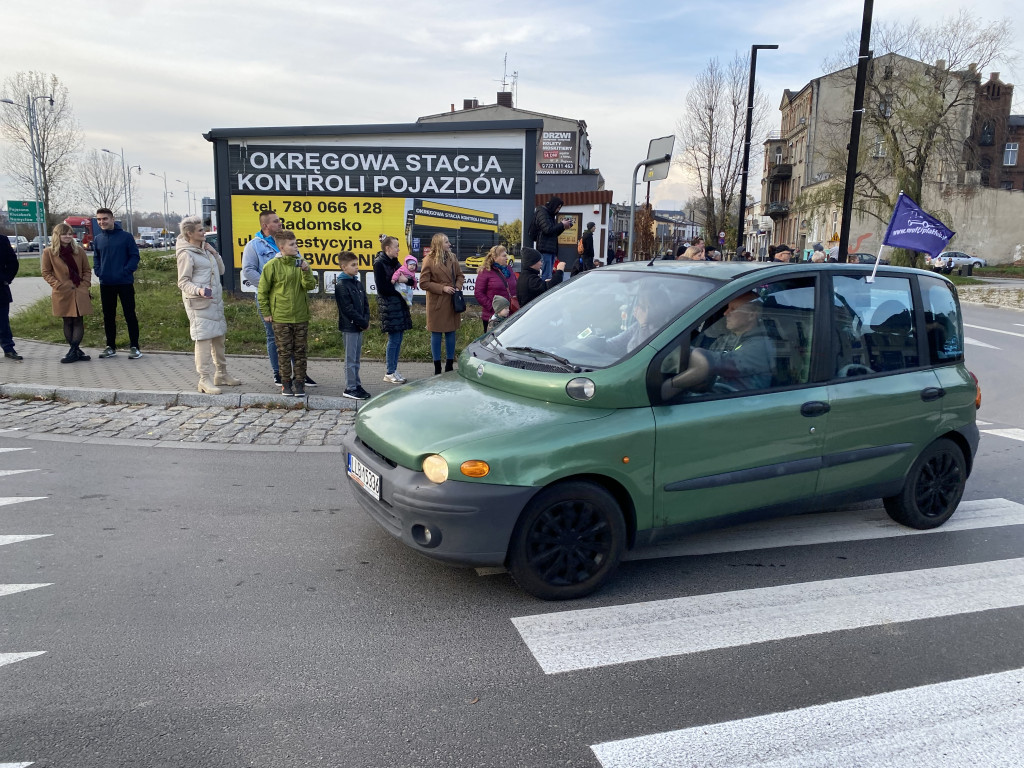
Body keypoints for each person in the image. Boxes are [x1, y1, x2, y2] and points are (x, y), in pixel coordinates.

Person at [241, 210, 317, 388]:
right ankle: (279, 374)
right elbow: (249, 270)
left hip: (293, 302)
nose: (280, 224)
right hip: (270, 299)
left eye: (280, 221)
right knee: (275, 337)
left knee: (294, 340)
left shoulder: (286, 243)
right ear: (265, 225)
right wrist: (270, 288)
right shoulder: (254, 246)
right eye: (276, 222)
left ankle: (299, 374)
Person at [662, 292, 774, 399]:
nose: (725, 313)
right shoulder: (726, 339)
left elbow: (712, 363)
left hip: (739, 406)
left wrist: (671, 384)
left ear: (751, 315)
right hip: (717, 398)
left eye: (733, 309)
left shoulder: (759, 346)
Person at [175, 215, 240, 394]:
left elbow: (221, 270)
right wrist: (199, 290)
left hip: (215, 302)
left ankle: (222, 373)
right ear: (189, 233)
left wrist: (214, 253)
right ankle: (204, 379)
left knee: (219, 338)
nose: (204, 232)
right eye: (200, 230)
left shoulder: (205, 250)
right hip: (199, 303)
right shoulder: (186, 254)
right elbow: (183, 282)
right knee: (203, 340)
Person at [256, 229, 318, 397]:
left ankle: (300, 383)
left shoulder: (302, 263)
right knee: (283, 351)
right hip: (280, 317)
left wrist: (306, 272)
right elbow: (262, 292)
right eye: (292, 244)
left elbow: (310, 286)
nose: (296, 247)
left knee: (300, 351)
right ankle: (286, 383)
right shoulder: (272, 266)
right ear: (282, 247)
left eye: (296, 243)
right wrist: (266, 313)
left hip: (300, 315)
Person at [41, 223, 94, 364]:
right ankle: (76, 351)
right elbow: (46, 272)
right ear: (57, 236)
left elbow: (87, 269)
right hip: (62, 292)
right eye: (64, 234)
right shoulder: (49, 252)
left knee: (78, 320)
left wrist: (85, 284)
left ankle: (73, 351)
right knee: (67, 320)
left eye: (70, 234)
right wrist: (57, 284)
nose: (68, 236)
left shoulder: (79, 251)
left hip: (79, 290)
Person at [93, 207, 141, 359]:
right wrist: (99, 271)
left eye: (105, 219)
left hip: (124, 283)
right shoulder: (98, 239)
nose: (102, 222)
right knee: (108, 316)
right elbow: (96, 258)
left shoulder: (126, 237)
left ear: (113, 219)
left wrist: (125, 272)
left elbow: (134, 257)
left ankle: (135, 347)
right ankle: (110, 346)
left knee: (129, 315)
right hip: (106, 283)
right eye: (99, 219)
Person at [419, 233, 464, 374]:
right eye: (446, 242)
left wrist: (457, 286)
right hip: (437, 302)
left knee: (451, 332)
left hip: (451, 301)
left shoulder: (452, 257)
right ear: (438, 244)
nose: (449, 244)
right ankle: (437, 366)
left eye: (448, 241)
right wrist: (442, 288)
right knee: (436, 334)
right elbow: (423, 283)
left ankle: (449, 364)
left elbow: (460, 276)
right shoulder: (428, 260)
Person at [372, 234, 413, 384]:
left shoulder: (395, 263)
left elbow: (409, 279)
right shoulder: (379, 264)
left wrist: (405, 281)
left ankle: (394, 369)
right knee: (394, 339)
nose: (399, 249)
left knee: (399, 339)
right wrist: (399, 292)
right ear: (388, 248)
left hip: (399, 306)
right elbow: (383, 288)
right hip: (389, 307)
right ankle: (389, 372)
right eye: (396, 247)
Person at [335, 251, 371, 399]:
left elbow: (365, 303)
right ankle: (350, 387)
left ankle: (357, 384)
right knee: (350, 359)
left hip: (359, 325)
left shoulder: (357, 282)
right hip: (350, 326)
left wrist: (366, 320)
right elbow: (347, 309)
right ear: (344, 267)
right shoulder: (342, 285)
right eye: (353, 265)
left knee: (356, 358)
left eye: (357, 264)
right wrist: (361, 321)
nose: (357, 267)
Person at [473, 244, 517, 333]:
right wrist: (495, 308)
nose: (507, 258)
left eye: (507, 255)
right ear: (495, 257)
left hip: (510, 314)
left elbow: (515, 286)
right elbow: (479, 293)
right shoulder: (485, 271)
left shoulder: (509, 269)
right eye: (504, 255)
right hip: (493, 316)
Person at [532, 195, 572, 279]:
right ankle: (545, 291)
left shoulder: (550, 215)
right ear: (553, 205)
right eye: (558, 207)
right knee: (546, 275)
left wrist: (563, 227)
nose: (558, 210)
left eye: (559, 208)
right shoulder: (543, 213)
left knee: (548, 275)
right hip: (544, 248)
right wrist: (561, 224)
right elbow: (547, 230)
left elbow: (553, 233)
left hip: (550, 249)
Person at [1, 232, 22, 361]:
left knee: (3, 322)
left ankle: (8, 348)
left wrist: (6, 279)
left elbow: (13, 262)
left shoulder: (2, 240)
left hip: (0, 289)